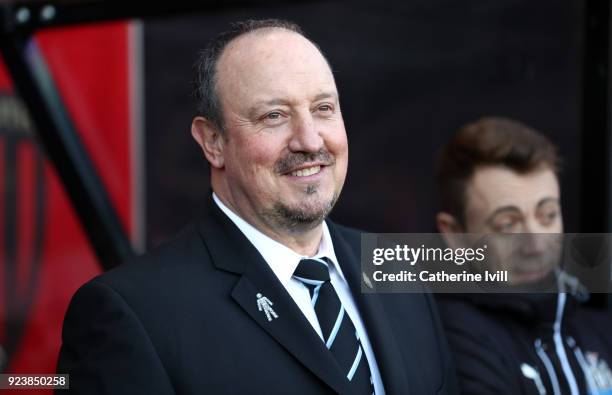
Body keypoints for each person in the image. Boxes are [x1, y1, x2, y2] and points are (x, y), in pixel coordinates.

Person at [56, 19, 457, 394]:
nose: (311, 141)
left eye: (323, 109)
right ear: (212, 142)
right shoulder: (132, 313)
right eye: (274, 116)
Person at [435, 117, 612, 395]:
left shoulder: (593, 325)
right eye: (508, 225)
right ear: (456, 235)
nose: (537, 245)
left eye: (548, 215)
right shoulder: (452, 340)